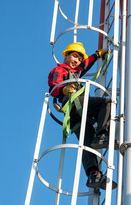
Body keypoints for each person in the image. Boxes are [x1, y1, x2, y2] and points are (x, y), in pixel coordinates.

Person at [48, 42, 116, 189]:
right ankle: (103, 134)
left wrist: (96, 55)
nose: (76, 60)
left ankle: (93, 175)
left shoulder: (76, 72)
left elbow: (85, 65)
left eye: (79, 58)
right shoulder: (60, 69)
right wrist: (65, 89)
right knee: (106, 103)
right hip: (74, 105)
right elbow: (54, 87)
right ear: (66, 55)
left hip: (77, 115)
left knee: (87, 144)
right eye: (74, 56)